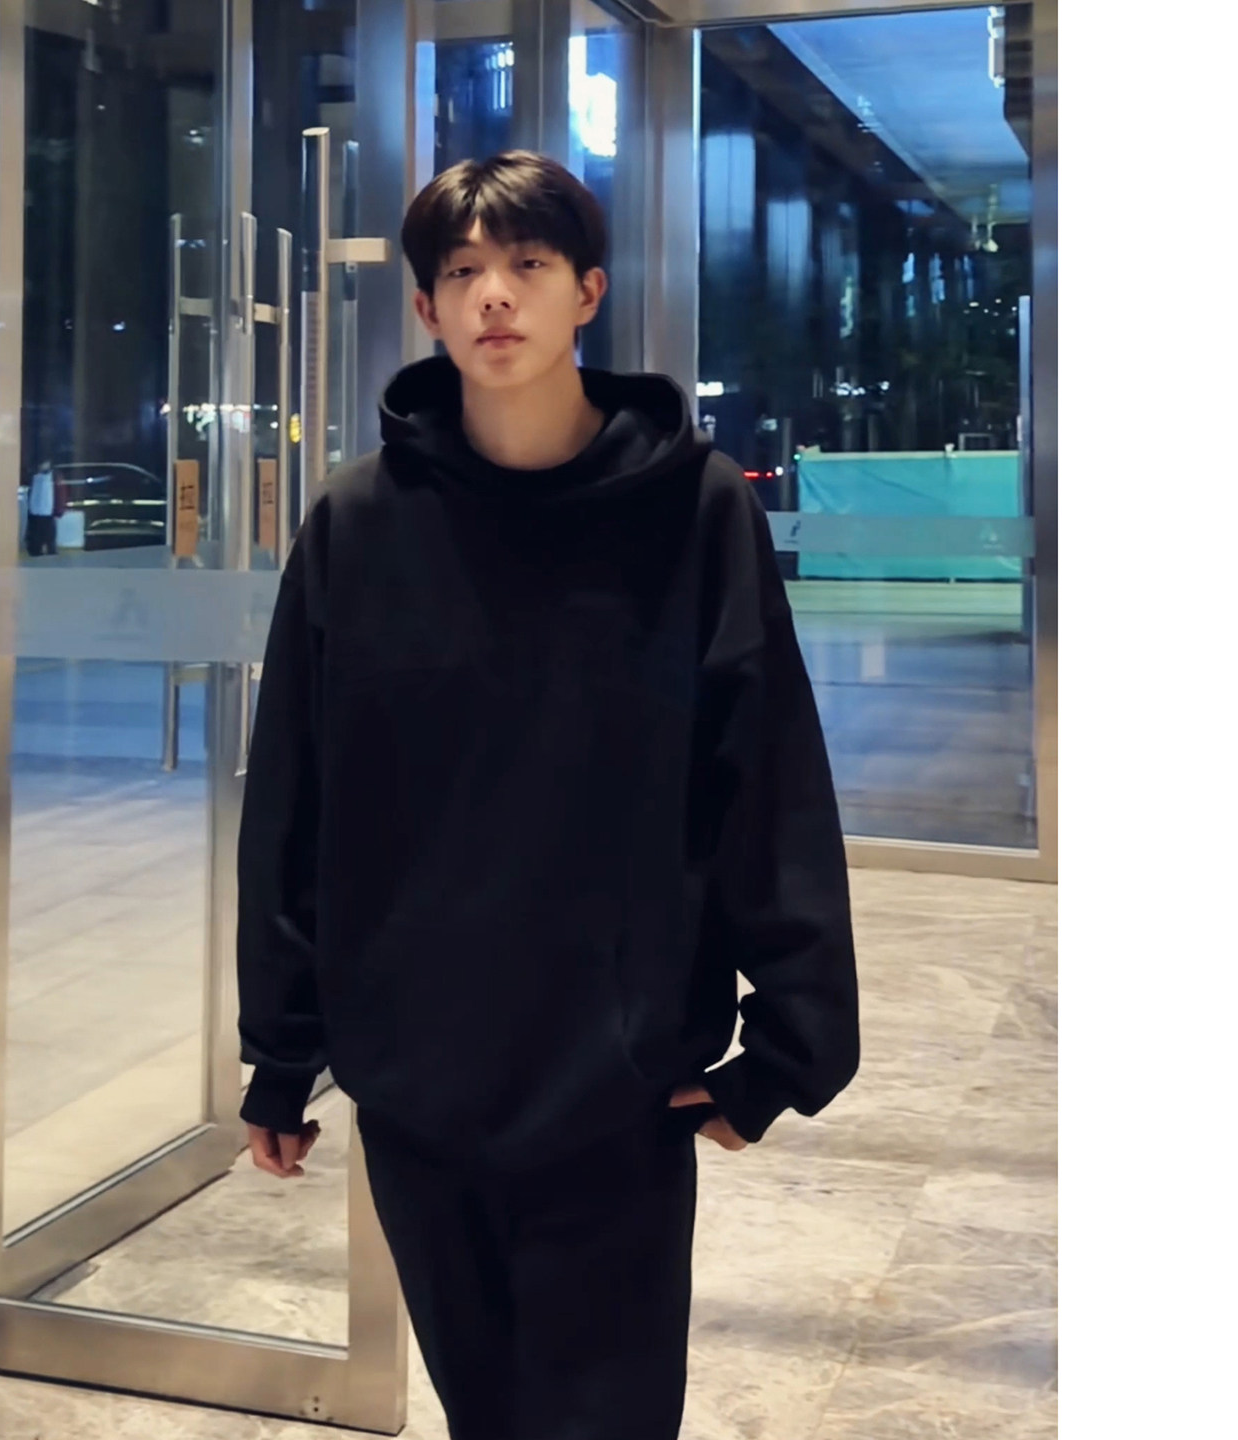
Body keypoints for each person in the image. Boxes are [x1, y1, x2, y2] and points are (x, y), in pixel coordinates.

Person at [236, 151, 860, 1440]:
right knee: (487, 1410)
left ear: (588, 291)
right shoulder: (358, 523)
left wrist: (790, 1048)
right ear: (425, 308)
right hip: (417, 1073)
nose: (494, 296)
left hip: (613, 1077)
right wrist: (283, 1050)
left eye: (526, 264)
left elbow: (765, 776)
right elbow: (297, 798)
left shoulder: (692, 508)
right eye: (462, 271)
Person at [25, 459, 57, 558]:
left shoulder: (40, 478)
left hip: (42, 512)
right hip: (42, 511)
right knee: (44, 533)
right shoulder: (44, 478)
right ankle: (42, 549)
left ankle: (40, 549)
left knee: (41, 533)